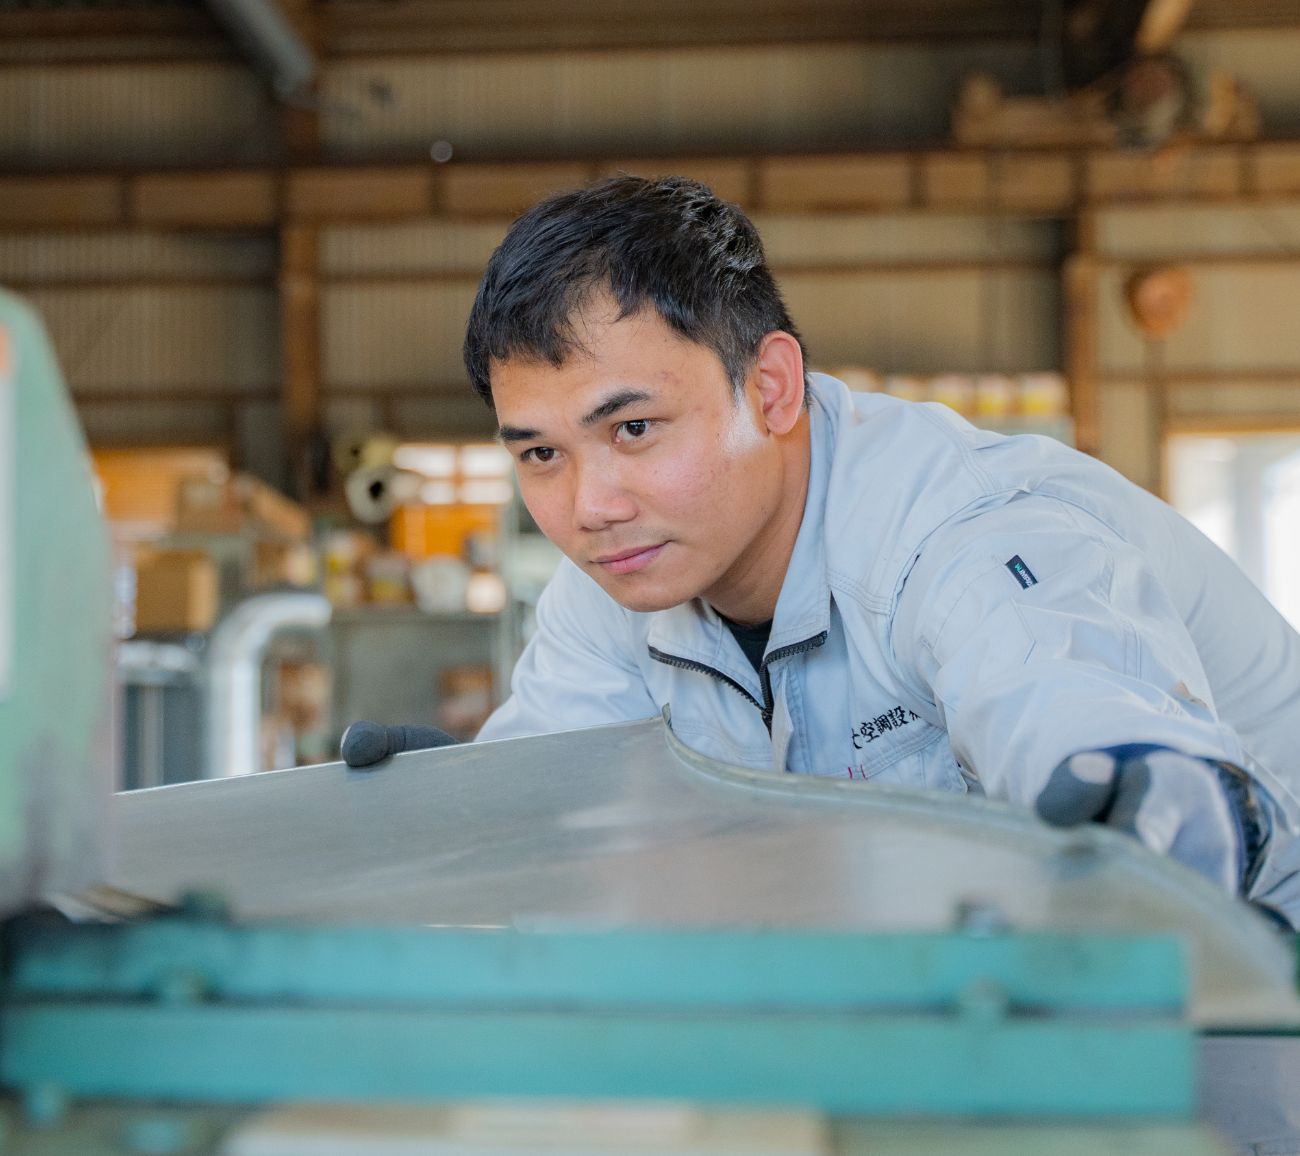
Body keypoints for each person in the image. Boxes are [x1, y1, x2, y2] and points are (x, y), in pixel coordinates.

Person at [351, 175, 1300, 926]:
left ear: (769, 389)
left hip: (1251, 981)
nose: (589, 506)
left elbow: (1066, 695)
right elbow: (560, 791)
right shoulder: (618, 581)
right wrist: (461, 810)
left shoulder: (961, 533)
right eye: (542, 454)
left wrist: (1145, 783)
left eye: (634, 429)